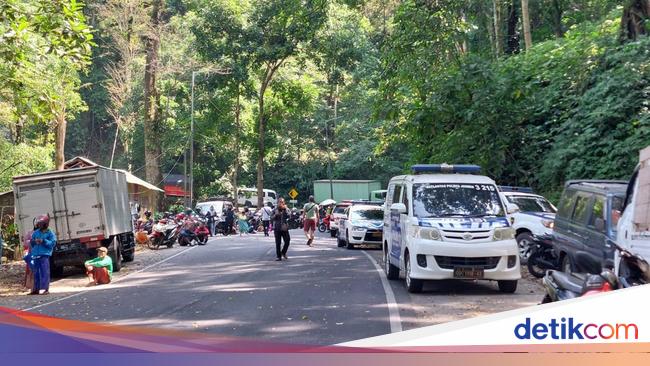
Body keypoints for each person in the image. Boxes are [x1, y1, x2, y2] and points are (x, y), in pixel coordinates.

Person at [29, 215, 56, 295]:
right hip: (35, 255)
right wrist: (34, 242)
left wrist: (44, 241)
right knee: (36, 272)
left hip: (44, 255)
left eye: (41, 223)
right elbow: (31, 242)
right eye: (38, 223)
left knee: (45, 272)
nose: (39, 225)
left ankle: (46, 289)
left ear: (45, 224)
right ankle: (36, 289)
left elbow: (52, 243)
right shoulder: (36, 232)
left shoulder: (50, 233)